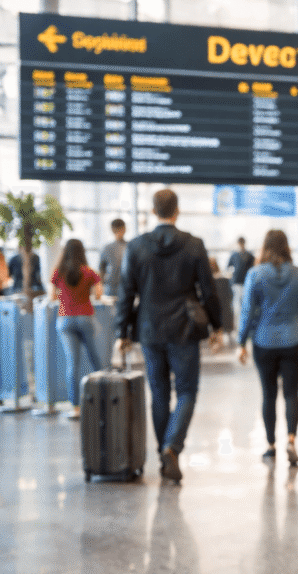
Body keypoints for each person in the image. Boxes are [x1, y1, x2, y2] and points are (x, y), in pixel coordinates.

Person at [114, 189, 223, 483]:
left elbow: (126, 292)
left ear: (153, 212)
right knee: (187, 391)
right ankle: (171, 448)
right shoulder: (194, 245)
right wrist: (217, 326)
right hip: (185, 329)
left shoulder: (136, 247)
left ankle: (165, 453)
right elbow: (208, 290)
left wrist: (121, 331)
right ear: (177, 211)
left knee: (159, 393)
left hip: (149, 329)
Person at [237, 230, 298, 465]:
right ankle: (291, 441)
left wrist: (241, 343)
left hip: (264, 341)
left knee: (269, 394)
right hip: (294, 339)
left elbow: (247, 311)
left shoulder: (255, 274)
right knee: (292, 392)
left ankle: (271, 446)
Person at [50, 239, 103, 418]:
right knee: (95, 359)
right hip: (85, 317)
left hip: (65, 320)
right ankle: (104, 398)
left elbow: (52, 296)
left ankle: (75, 408)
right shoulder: (89, 272)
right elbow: (99, 294)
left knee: (72, 364)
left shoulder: (59, 272)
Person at [227, 236, 256, 325]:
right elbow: (228, 267)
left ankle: (243, 323)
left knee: (245, 304)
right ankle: (238, 324)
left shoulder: (249, 255)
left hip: (246, 282)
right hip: (236, 282)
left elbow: (253, 268)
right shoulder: (234, 255)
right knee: (237, 304)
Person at [99, 218, 128, 299]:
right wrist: (100, 287)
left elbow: (101, 270)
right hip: (111, 289)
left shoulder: (130, 246)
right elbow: (101, 270)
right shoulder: (107, 248)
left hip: (125, 288)